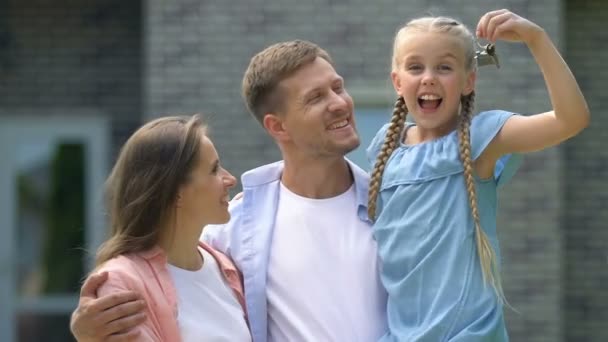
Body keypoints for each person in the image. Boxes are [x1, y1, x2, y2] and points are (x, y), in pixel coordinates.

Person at [70, 41, 388, 342]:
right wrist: (87, 332)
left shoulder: (396, 210)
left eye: (338, 87)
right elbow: (161, 279)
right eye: (316, 97)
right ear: (277, 126)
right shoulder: (231, 230)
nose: (340, 103)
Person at [366, 9, 589, 341]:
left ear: (469, 80)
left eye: (444, 67)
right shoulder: (385, 146)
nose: (428, 78)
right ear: (397, 81)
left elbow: (570, 119)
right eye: (415, 67)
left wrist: (536, 38)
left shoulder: (481, 139)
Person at [77, 114, 250, 341]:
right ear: (175, 190)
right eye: (214, 169)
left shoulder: (225, 267)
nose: (230, 179)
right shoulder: (123, 282)